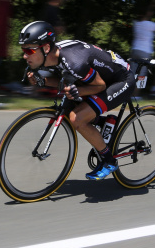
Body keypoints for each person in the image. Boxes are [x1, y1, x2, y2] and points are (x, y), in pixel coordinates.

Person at [19, 21, 136, 180]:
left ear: (46, 48)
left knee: (77, 118)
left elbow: (100, 86)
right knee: (69, 111)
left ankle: (109, 161)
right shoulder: (55, 57)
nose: (24, 55)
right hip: (99, 79)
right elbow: (64, 81)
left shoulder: (74, 62)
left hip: (120, 80)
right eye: (23, 50)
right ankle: (104, 123)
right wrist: (44, 82)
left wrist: (78, 90)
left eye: (29, 50)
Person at [129, 0, 155, 99]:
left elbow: (145, 11)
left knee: (132, 73)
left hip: (135, 50)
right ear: (148, 13)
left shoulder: (136, 23)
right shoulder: (149, 24)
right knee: (142, 75)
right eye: (150, 11)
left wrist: (151, 5)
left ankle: (128, 94)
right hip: (145, 52)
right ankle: (136, 95)